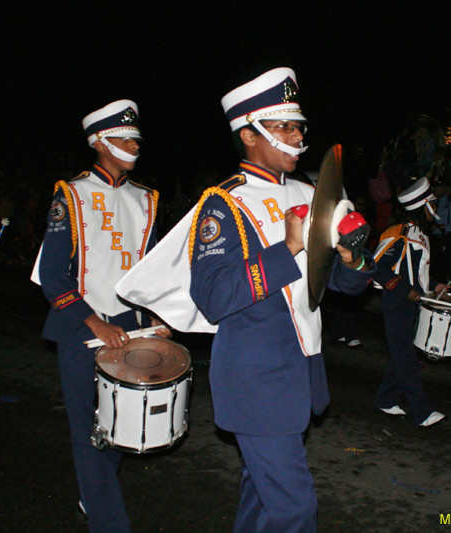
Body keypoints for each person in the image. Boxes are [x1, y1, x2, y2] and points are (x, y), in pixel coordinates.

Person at [185, 67, 374, 533]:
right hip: (255, 378)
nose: (296, 135)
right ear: (248, 134)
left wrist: (353, 257)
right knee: (294, 510)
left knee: (261, 497)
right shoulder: (223, 204)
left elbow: (345, 290)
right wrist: (289, 247)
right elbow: (214, 297)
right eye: (282, 126)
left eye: (298, 125)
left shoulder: (315, 193)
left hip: (301, 368)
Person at [34, 100, 168, 532]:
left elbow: (147, 269)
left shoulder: (146, 199)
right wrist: (93, 321)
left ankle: (94, 494)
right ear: (99, 142)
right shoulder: (71, 195)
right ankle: (109, 521)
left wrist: (155, 318)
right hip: (82, 326)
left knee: (122, 426)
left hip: (131, 324)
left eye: (135, 139)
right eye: (124, 138)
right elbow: (52, 276)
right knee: (88, 427)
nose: (133, 145)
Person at [372, 177, 449, 428]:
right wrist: (406, 291)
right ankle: (423, 411)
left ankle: (385, 399)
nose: (436, 209)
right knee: (407, 359)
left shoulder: (417, 232)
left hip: (410, 303)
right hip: (396, 303)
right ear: (423, 205)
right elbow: (379, 270)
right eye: (433, 204)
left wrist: (434, 284)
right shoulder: (399, 233)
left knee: (404, 355)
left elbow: (415, 272)